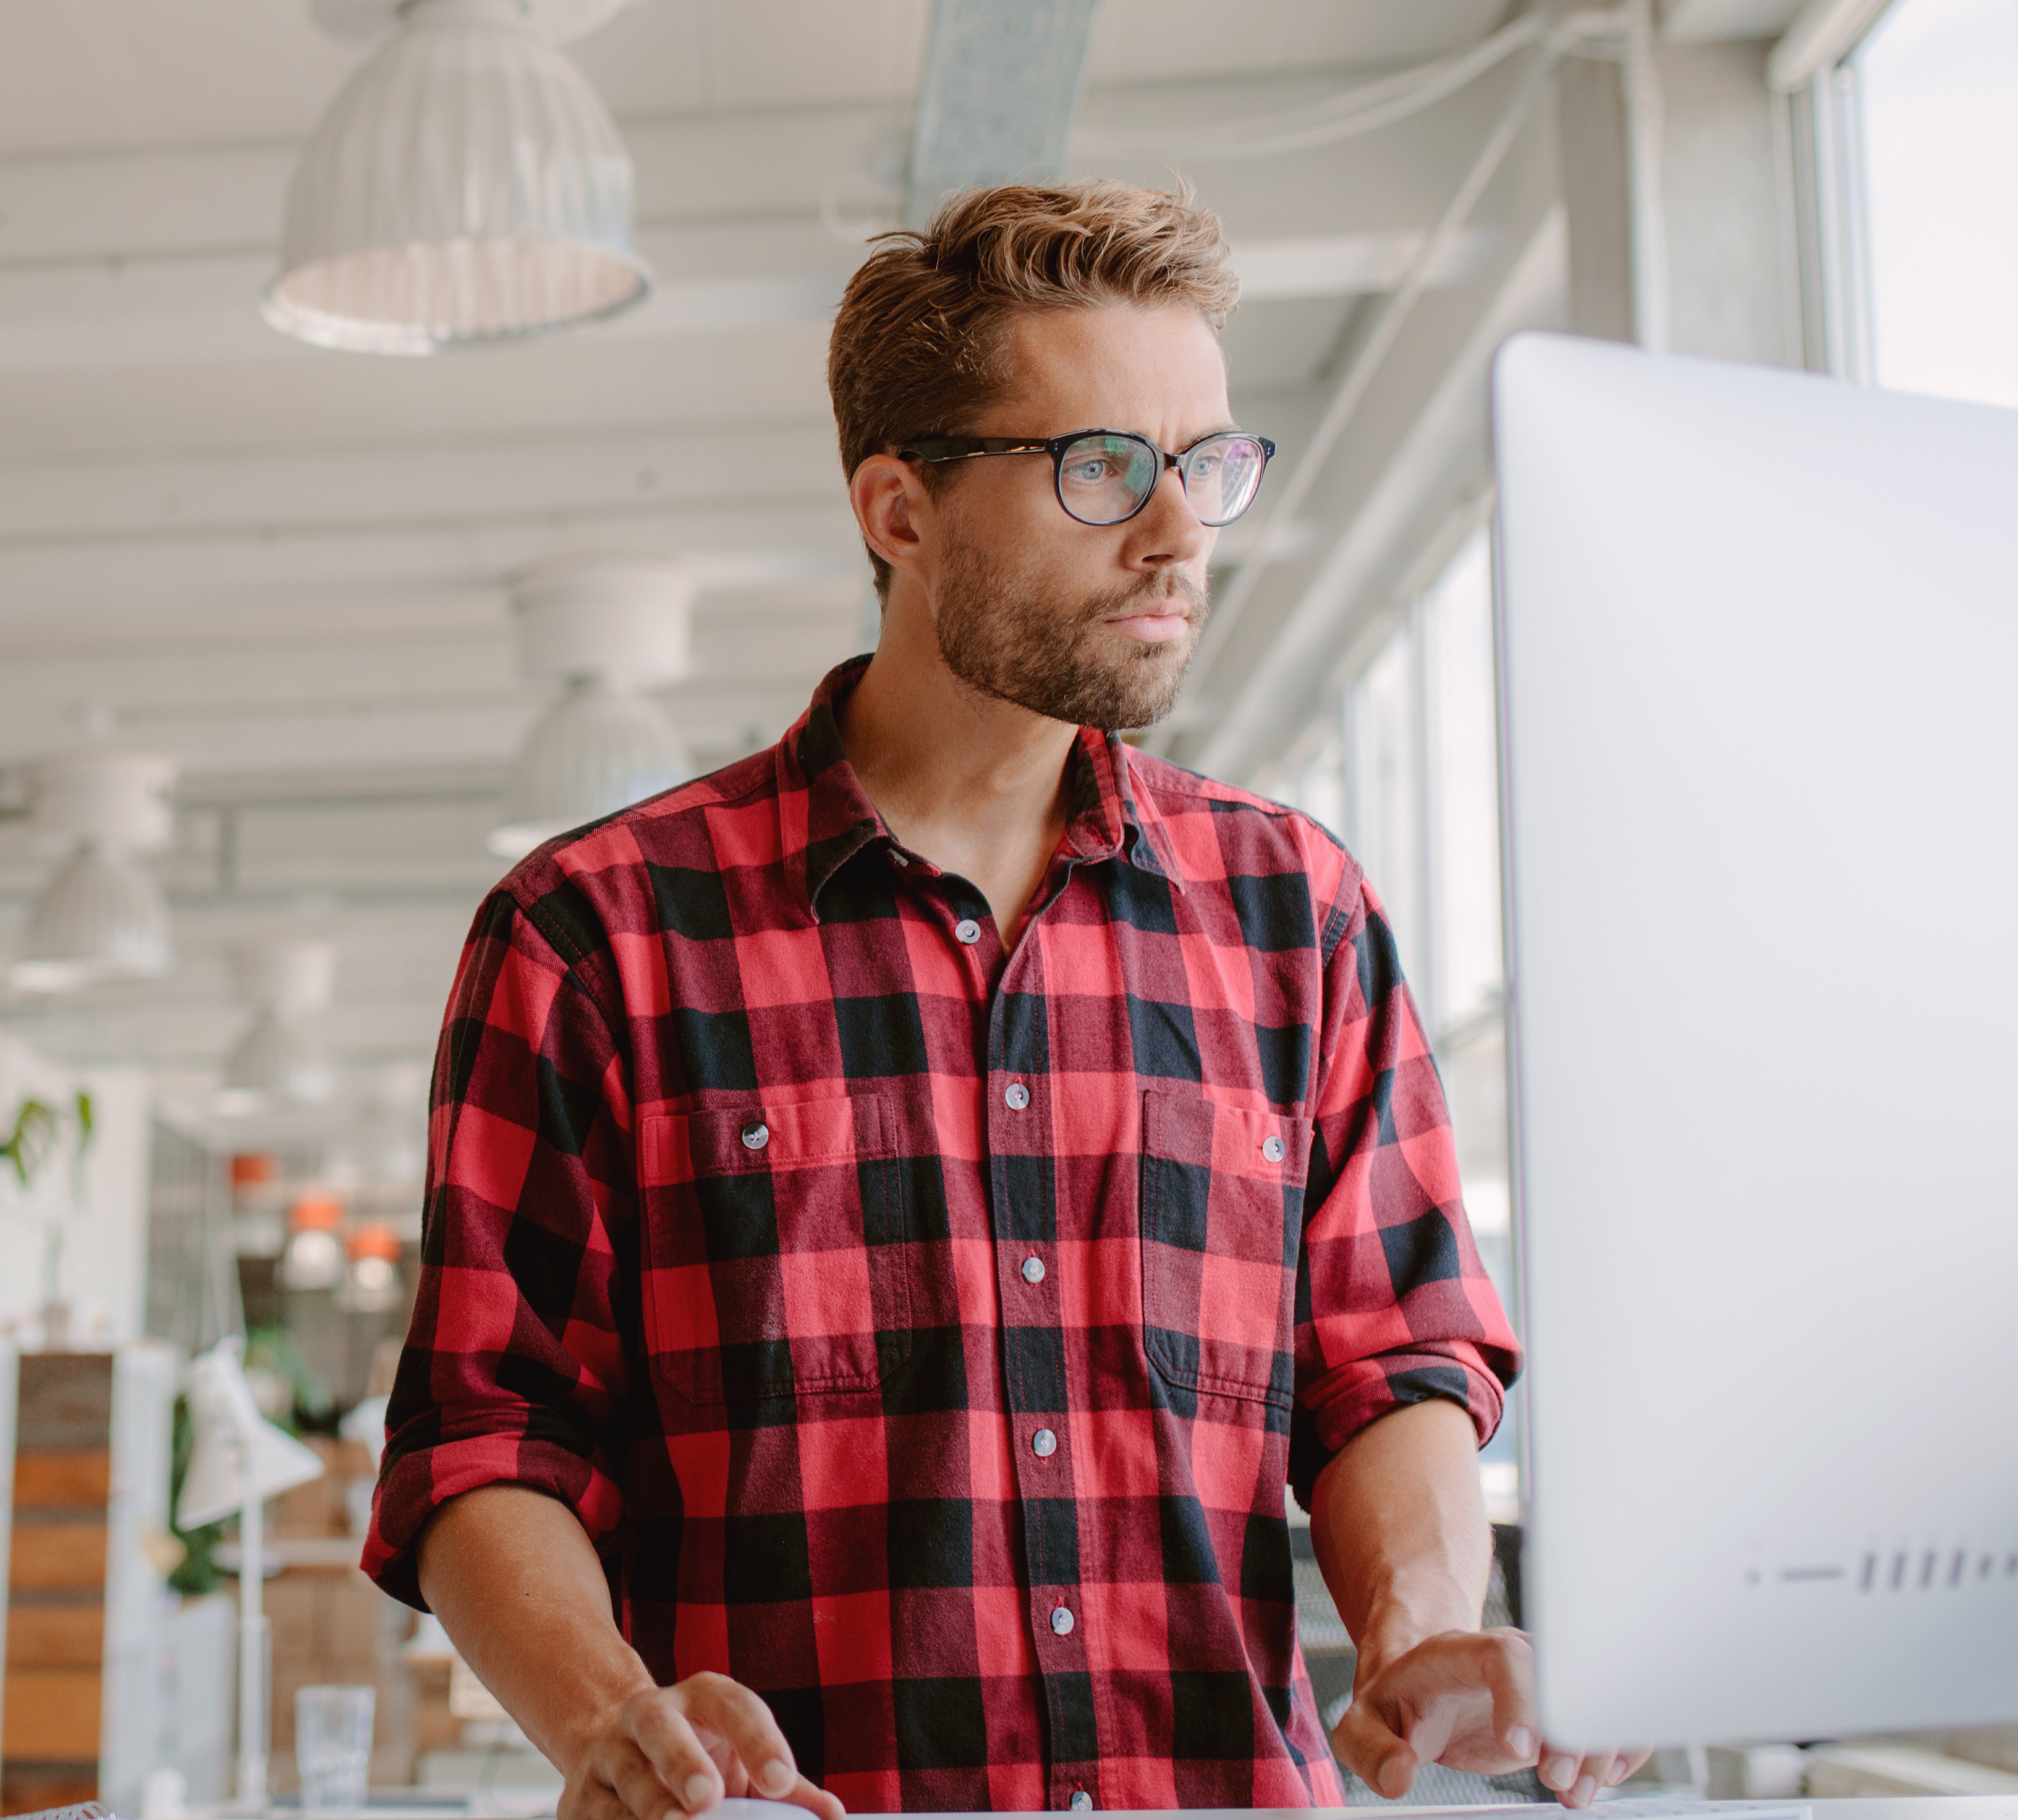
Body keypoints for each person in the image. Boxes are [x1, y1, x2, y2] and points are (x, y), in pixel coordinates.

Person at [362, 182, 1646, 1818]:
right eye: (1104, 468)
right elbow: (489, 1438)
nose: (1177, 531)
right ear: (899, 511)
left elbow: (1390, 1364)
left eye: (1208, 467)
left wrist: (1420, 1629)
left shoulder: (1296, 917)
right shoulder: (596, 938)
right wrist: (614, 1719)